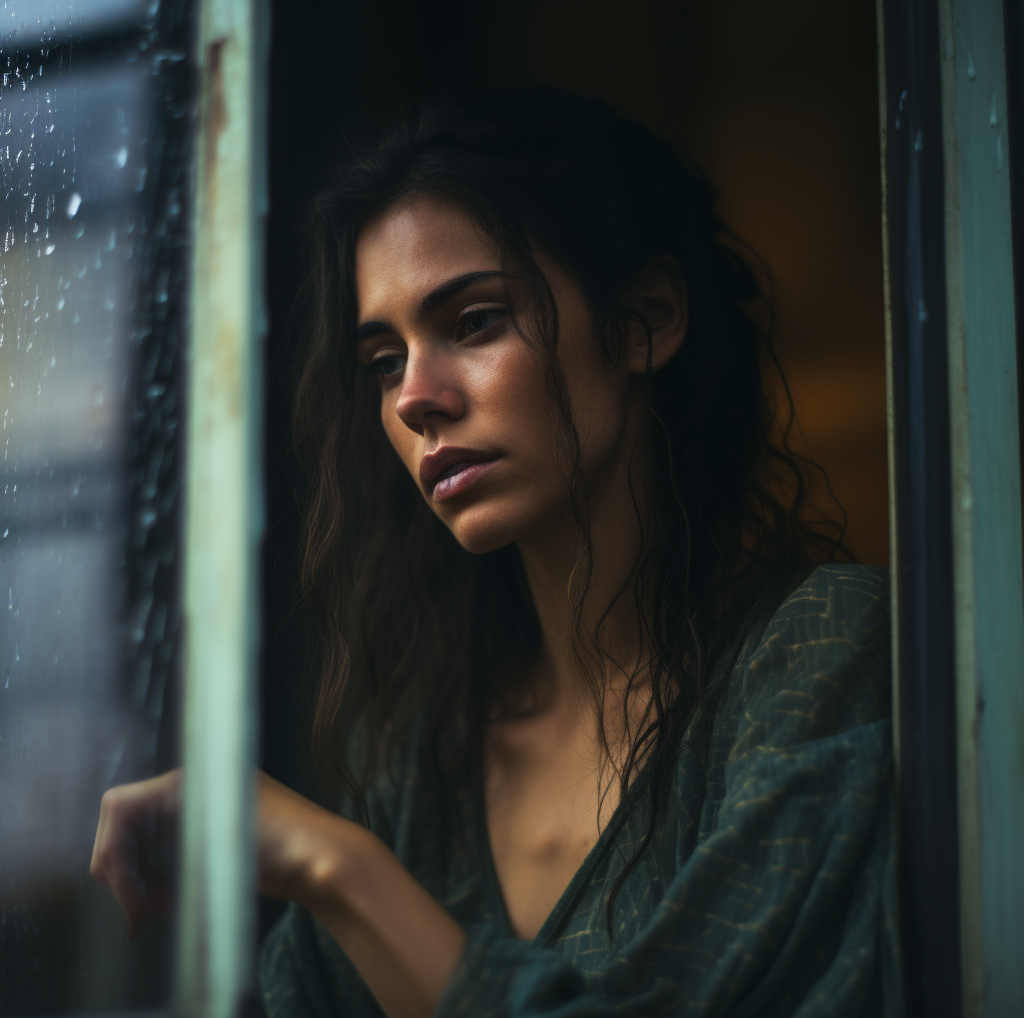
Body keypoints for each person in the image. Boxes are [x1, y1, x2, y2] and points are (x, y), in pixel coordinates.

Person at [90, 88, 902, 1018]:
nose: (413, 399)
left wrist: (337, 868)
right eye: (383, 360)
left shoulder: (820, 656)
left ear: (644, 321)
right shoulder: (427, 766)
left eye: (473, 321)